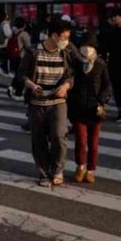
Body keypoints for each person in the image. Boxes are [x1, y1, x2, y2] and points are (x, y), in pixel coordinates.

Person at [21, 20, 73, 187]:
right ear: (54, 35)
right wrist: (32, 86)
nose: (66, 41)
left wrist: (66, 86)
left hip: (58, 101)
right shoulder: (33, 51)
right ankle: (43, 172)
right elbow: (22, 75)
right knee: (39, 139)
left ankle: (57, 169)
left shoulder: (66, 52)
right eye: (64, 37)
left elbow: (72, 75)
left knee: (58, 136)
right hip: (37, 101)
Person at [67, 46, 110, 184]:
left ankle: (91, 170)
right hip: (78, 109)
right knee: (81, 140)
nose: (86, 60)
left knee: (93, 142)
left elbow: (106, 85)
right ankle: (80, 166)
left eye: (89, 57)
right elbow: (70, 83)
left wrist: (101, 101)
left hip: (94, 109)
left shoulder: (100, 65)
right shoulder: (76, 64)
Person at [6, 17, 32, 99]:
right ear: (24, 25)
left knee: (18, 74)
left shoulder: (13, 33)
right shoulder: (24, 34)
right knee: (22, 75)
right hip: (21, 56)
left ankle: (13, 87)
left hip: (13, 56)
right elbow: (28, 46)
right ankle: (18, 92)